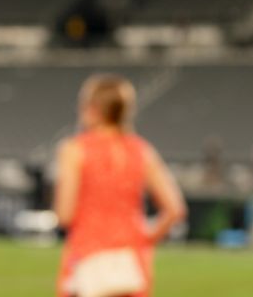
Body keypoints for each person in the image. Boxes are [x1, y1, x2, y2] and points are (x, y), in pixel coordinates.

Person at [54, 74, 186, 297]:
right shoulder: (141, 150)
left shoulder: (74, 150)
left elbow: (65, 214)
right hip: (131, 262)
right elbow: (175, 209)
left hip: (87, 257)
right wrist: (144, 240)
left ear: (93, 109)